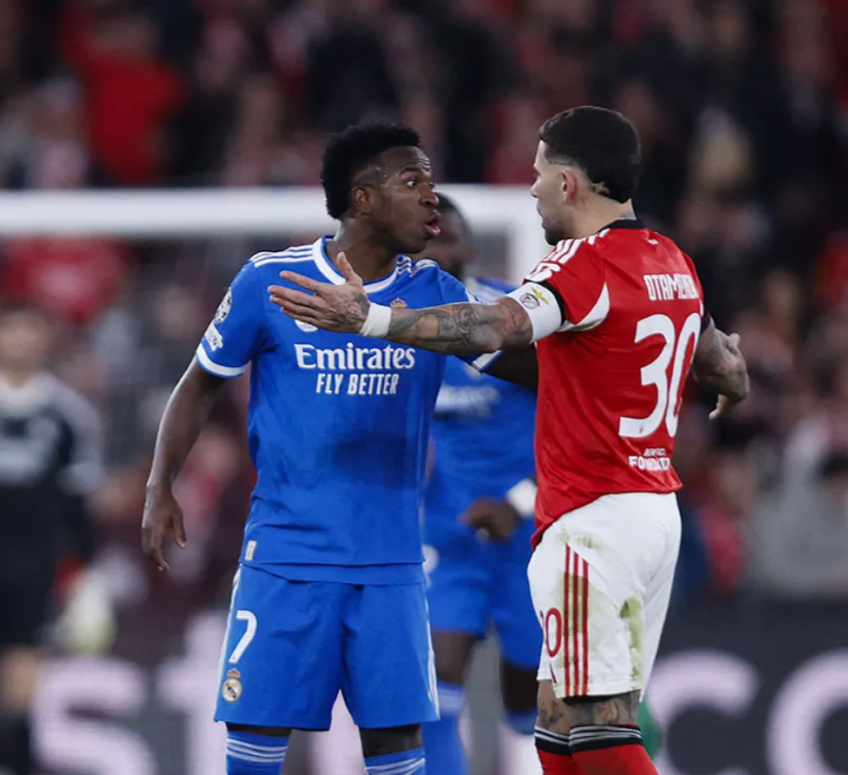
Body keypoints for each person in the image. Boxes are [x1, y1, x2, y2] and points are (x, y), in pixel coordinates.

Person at [268, 106, 749, 775]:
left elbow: (496, 325)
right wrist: (736, 381)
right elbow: (717, 357)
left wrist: (371, 319)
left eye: (540, 172)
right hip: (649, 510)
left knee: (599, 727)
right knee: (558, 726)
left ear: (570, 184)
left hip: (592, 518)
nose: (532, 188)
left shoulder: (581, 265)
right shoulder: (672, 260)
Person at [143, 121, 533, 775]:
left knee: (397, 744)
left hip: (394, 566)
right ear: (363, 198)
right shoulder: (271, 280)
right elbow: (201, 381)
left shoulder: (433, 293)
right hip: (286, 558)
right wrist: (162, 483)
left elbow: (534, 371)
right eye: (412, 181)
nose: (432, 197)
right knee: (256, 738)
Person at [0, 303, 104, 775]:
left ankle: (11, 765)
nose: (19, 341)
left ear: (45, 340)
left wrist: (84, 576)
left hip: (36, 567)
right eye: (10, 330)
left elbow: (79, 504)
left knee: (20, 695)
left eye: (29, 331)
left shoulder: (68, 414)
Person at [413, 195, 542, 775]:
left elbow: (583, 426)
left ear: (470, 245)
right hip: (451, 536)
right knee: (436, 689)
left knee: (530, 710)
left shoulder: (515, 319)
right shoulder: (393, 331)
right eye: (425, 239)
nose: (434, 251)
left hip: (531, 535)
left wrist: (519, 502)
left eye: (447, 237)